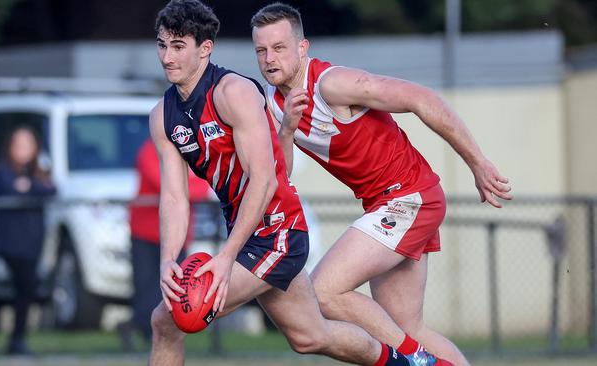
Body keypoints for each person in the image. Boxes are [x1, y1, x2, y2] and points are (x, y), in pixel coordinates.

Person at [149, 1, 417, 365]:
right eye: (162, 45)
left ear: (205, 49)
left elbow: (265, 180)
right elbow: (175, 199)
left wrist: (226, 257)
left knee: (167, 320)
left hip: (278, 232)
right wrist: (168, 259)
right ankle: (410, 362)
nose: (167, 56)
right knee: (311, 337)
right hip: (249, 236)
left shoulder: (233, 93)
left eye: (178, 46)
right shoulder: (163, 115)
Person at [251, 3, 514, 366]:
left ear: (302, 47)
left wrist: (478, 163)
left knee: (324, 292)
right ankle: (418, 354)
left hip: (410, 197)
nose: (269, 59)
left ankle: (415, 360)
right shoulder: (274, 102)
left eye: (279, 48)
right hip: (385, 205)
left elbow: (422, 99)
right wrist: (288, 129)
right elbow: (284, 172)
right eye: (261, 50)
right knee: (407, 327)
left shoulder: (333, 84)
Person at [124, 138, 210, 346]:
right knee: (146, 288)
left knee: (174, 291)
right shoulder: (150, 149)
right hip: (146, 232)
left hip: (178, 235)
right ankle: (141, 331)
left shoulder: (190, 150)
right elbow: (165, 184)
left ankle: (156, 334)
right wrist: (188, 183)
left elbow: (205, 184)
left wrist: (186, 184)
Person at [0, 126, 56, 355]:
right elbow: (9, 189)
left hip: (32, 244)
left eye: (28, 145)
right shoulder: (3, 170)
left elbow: (50, 190)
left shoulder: (37, 170)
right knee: (19, 290)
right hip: (12, 245)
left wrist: (30, 187)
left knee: (26, 291)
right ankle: (15, 340)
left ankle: (17, 339)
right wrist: (28, 189)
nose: (24, 150)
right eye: (19, 145)